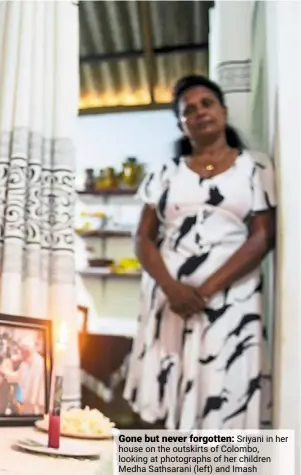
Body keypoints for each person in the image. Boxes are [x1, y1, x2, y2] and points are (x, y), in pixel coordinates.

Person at [124, 75, 276, 431]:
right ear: (181, 123)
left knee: (226, 394)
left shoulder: (256, 166)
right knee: (170, 394)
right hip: (169, 301)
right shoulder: (165, 172)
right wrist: (174, 289)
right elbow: (143, 238)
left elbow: (263, 235)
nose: (199, 112)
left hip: (232, 301)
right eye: (188, 110)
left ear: (222, 110)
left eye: (206, 103)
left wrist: (204, 290)